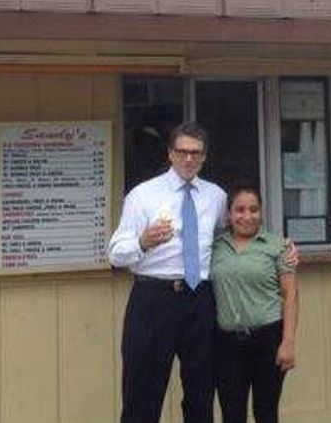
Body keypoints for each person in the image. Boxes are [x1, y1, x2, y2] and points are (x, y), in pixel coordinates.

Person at [108, 122, 227, 423]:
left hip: (199, 300)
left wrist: (281, 249)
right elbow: (115, 253)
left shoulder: (216, 197)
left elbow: (228, 240)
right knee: (142, 395)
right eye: (182, 152)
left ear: (204, 157)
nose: (189, 159)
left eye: (195, 153)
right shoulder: (143, 195)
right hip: (153, 299)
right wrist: (143, 242)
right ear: (171, 154)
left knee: (201, 394)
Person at [211, 186, 299, 423]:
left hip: (268, 340)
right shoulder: (214, 248)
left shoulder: (278, 246)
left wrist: (288, 342)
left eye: (253, 210)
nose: (247, 216)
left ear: (261, 213)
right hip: (226, 344)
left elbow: (290, 295)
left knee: (266, 412)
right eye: (239, 210)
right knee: (232, 414)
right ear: (229, 215)